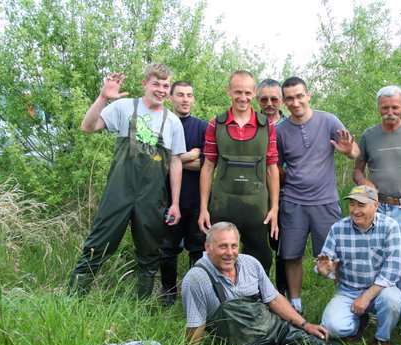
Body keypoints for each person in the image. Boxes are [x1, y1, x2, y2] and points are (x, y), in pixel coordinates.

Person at [182, 222, 401, 345]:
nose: (230, 252)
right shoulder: (197, 279)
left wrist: (305, 325)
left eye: (233, 245)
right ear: (207, 247)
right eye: (222, 247)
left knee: (320, 344)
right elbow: (195, 326)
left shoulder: (250, 264)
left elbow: (274, 299)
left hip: (273, 326)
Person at [68, 63, 186, 298]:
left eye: (165, 85)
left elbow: (175, 163)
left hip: (152, 197)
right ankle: (73, 300)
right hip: (119, 192)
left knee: (150, 252)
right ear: (145, 84)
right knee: (97, 243)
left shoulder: (173, 122)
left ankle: (141, 306)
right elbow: (87, 126)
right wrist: (103, 97)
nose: (161, 90)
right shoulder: (124, 107)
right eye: (156, 84)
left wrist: (175, 203)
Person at [276, 76, 359, 314]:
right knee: (291, 255)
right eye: (289, 98)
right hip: (293, 202)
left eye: (299, 96)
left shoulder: (328, 120)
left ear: (308, 95)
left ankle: (343, 302)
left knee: (334, 256)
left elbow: (354, 151)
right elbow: (276, 166)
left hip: (326, 201)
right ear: (284, 101)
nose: (295, 102)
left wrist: (348, 150)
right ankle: (296, 303)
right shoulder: (280, 131)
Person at [353, 85, 401, 338]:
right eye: (385, 107)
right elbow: (358, 170)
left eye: (395, 107)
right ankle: (377, 311)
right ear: (378, 108)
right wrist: (364, 182)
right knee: (375, 261)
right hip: (377, 208)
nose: (390, 112)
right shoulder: (369, 135)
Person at [198, 70, 279, 273]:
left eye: (247, 93)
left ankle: (255, 300)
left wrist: (274, 208)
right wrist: (203, 208)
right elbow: (208, 167)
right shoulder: (216, 124)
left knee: (260, 257)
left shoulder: (266, 125)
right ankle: (219, 299)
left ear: (254, 94)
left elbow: (271, 168)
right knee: (219, 256)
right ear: (228, 91)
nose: (243, 98)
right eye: (237, 92)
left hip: (257, 206)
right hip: (223, 204)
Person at [316, 185, 401, 345]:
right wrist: (324, 271)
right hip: (348, 289)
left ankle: (382, 338)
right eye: (352, 205)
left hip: (380, 289)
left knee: (393, 300)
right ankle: (359, 321)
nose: (355, 210)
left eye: (361, 205)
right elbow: (325, 263)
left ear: (376, 205)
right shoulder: (338, 228)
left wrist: (366, 296)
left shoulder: (390, 227)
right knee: (332, 327)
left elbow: (393, 270)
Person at [159, 81, 208, 305]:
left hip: (197, 200)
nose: (185, 99)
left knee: (197, 250)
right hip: (167, 200)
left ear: (194, 99)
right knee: (167, 249)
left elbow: (207, 165)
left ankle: (194, 294)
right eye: (180, 95)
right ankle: (168, 293)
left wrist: (171, 158)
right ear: (171, 97)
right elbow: (154, 161)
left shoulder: (202, 127)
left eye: (189, 95)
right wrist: (187, 156)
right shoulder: (160, 124)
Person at [256, 79, 287, 295]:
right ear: (257, 100)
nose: (269, 103)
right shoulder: (250, 125)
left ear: (281, 100)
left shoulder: (289, 126)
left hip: (285, 194)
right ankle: (259, 290)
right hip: (255, 194)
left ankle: (283, 293)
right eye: (264, 98)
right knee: (258, 245)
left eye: (274, 98)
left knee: (282, 246)